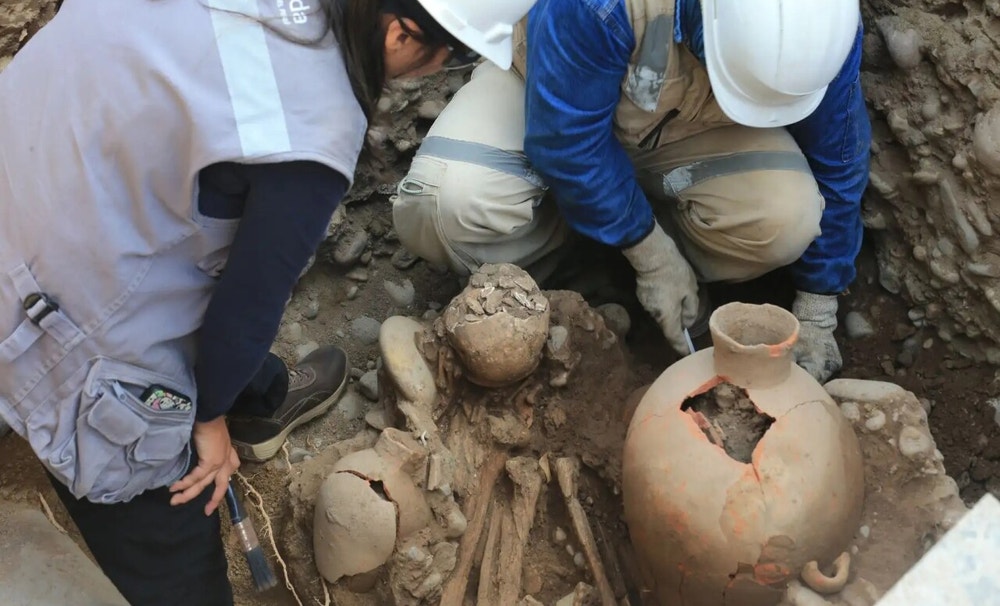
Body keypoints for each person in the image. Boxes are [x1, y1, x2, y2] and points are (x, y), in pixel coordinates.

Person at [0, 0, 535, 604]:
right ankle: (194, 435)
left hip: (34, 175)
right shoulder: (311, 128)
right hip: (53, 325)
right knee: (170, 541)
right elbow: (247, 308)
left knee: (222, 314)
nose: (441, 68)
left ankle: (253, 398)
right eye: (453, 54)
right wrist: (207, 424)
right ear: (400, 33)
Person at [393, 0, 872, 383]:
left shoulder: (819, 29)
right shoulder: (593, 6)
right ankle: (565, 290)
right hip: (548, 89)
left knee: (788, 219)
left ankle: (664, 273)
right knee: (446, 203)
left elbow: (838, 157)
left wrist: (819, 307)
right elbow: (566, 142)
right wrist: (651, 256)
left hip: (688, 126)